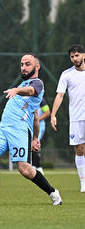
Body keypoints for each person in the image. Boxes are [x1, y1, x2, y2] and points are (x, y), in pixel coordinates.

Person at [0, 53, 62, 205]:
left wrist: (16, 90)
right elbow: (35, 117)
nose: (23, 67)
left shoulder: (37, 83)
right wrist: (36, 138)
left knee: (24, 169)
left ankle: (52, 192)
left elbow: (32, 91)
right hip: (3, 128)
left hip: (20, 130)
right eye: (22, 64)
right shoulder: (22, 86)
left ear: (37, 67)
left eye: (27, 64)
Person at [51, 44, 85, 193]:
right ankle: (83, 182)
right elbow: (60, 95)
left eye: (77, 55)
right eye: (72, 56)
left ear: (84, 55)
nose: (74, 59)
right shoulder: (66, 74)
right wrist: (53, 114)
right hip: (76, 117)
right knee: (79, 149)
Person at [32, 98, 50, 174]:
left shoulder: (41, 100)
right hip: (30, 126)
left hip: (39, 126)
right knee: (30, 145)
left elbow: (47, 112)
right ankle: (37, 166)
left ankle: (36, 167)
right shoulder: (25, 99)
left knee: (34, 144)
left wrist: (37, 120)